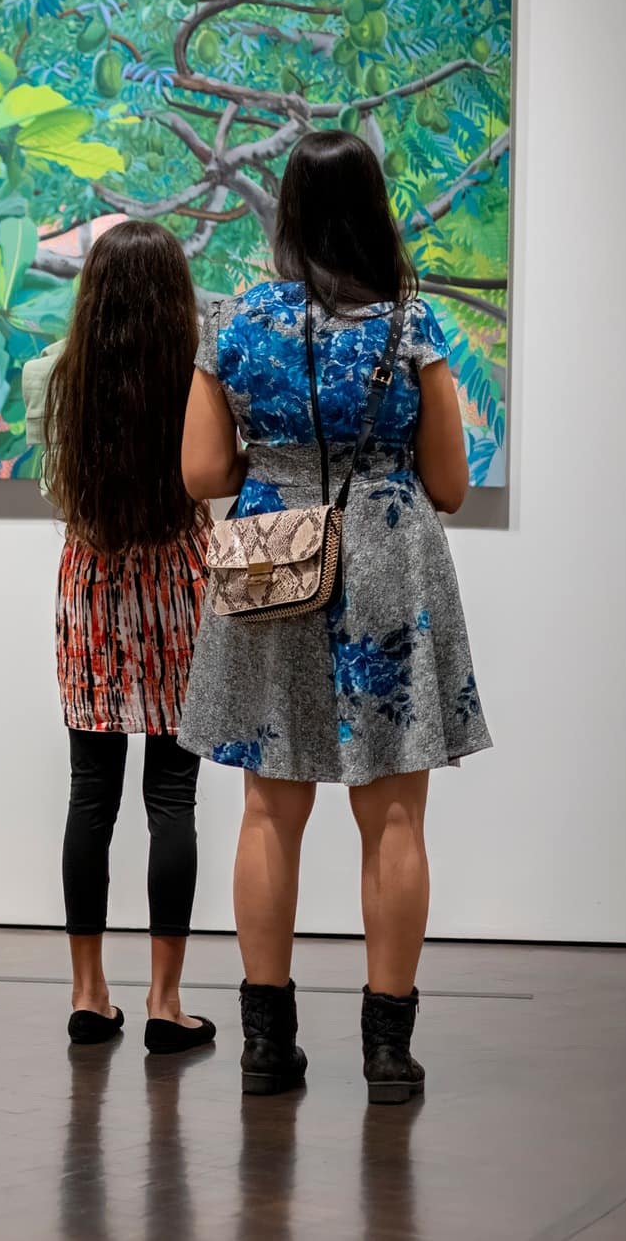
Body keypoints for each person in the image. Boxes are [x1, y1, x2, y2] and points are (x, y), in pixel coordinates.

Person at [179, 129, 492, 1103]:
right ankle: (386, 1053)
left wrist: (267, 466)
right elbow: (446, 482)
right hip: (388, 562)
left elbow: (199, 472)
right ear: (371, 210)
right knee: (391, 813)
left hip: (273, 557)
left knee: (270, 806)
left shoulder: (236, 323)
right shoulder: (409, 329)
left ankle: (266, 1045)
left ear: (286, 213)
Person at [28, 219, 215, 1056]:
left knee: (90, 800)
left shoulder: (53, 380)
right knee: (172, 802)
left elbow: (55, 489)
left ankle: (86, 993)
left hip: (92, 589)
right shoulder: (197, 385)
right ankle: (165, 1002)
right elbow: (217, 478)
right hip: (180, 589)